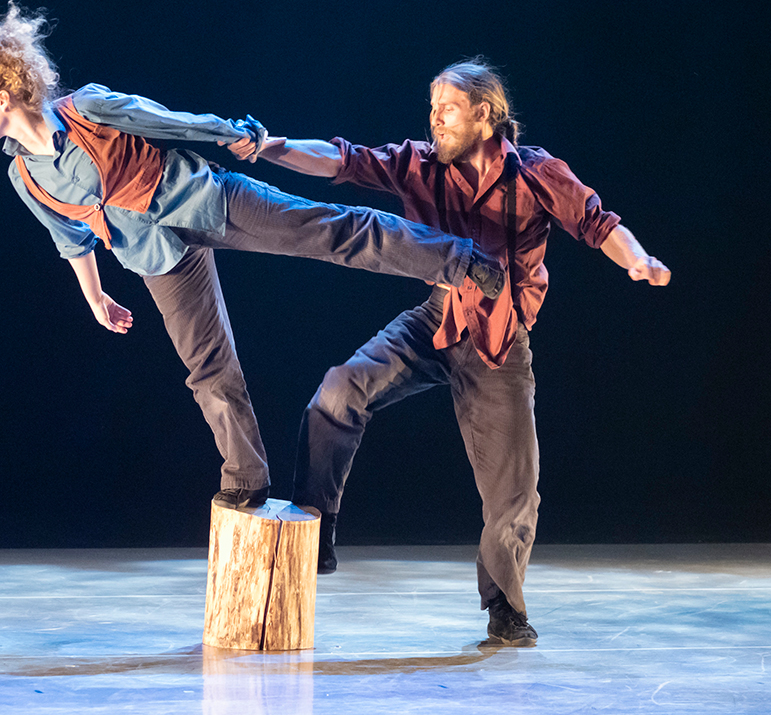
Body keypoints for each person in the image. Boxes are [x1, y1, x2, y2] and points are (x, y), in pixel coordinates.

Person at [0, 3, 504, 512]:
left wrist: (232, 134)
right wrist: (96, 297)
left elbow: (167, 122)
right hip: (157, 258)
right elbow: (71, 239)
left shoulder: (85, 109)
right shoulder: (23, 175)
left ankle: (459, 260)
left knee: (330, 230)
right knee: (207, 367)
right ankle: (246, 475)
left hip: (207, 200)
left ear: (3, 97)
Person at [225, 58, 670, 645]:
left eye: (448, 108)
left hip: (499, 339)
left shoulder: (537, 173)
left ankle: (504, 607)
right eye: (432, 108)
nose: (435, 119)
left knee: (514, 490)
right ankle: (317, 530)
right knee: (338, 391)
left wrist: (638, 259)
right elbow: (342, 160)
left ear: (484, 114)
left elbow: (597, 222)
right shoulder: (420, 164)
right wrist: (269, 147)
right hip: (436, 319)